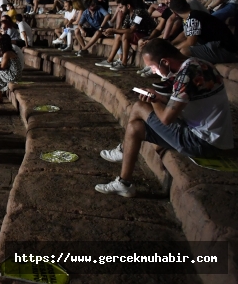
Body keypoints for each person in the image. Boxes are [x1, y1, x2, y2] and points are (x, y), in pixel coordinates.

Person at [95, 39, 235, 197]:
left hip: (201, 141)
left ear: (165, 62)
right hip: (214, 138)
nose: (153, 71)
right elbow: (182, 101)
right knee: (135, 128)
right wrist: (159, 97)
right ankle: (124, 182)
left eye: (153, 66)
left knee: (140, 107)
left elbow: (166, 119)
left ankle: (124, 151)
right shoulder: (198, 64)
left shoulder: (186, 76)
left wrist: (154, 100)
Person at [169, 0, 238, 64]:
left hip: (225, 50)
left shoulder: (193, 18)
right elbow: (185, 34)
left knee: (184, 51)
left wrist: (172, 50)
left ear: (175, 13)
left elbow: (190, 43)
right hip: (219, 46)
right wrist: (171, 43)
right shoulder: (194, 14)